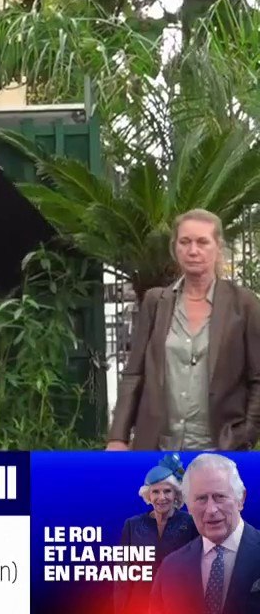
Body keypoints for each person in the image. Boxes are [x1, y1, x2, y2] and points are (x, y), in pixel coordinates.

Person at [108, 209, 260, 451]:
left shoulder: (244, 304)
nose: (193, 250)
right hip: (159, 449)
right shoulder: (155, 302)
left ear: (218, 247)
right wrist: (118, 437)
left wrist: (244, 435)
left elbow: (257, 379)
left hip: (218, 451)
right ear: (174, 248)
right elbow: (134, 373)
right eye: (185, 242)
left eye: (202, 242)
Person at [148, 453, 260, 614]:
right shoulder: (170, 569)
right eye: (201, 499)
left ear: (240, 499)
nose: (211, 510)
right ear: (188, 506)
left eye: (219, 497)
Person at [113, 454, 199, 614]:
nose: (161, 497)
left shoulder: (191, 523)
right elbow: (122, 574)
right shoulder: (132, 525)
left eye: (167, 491)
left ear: (176, 494)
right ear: (148, 495)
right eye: (155, 492)